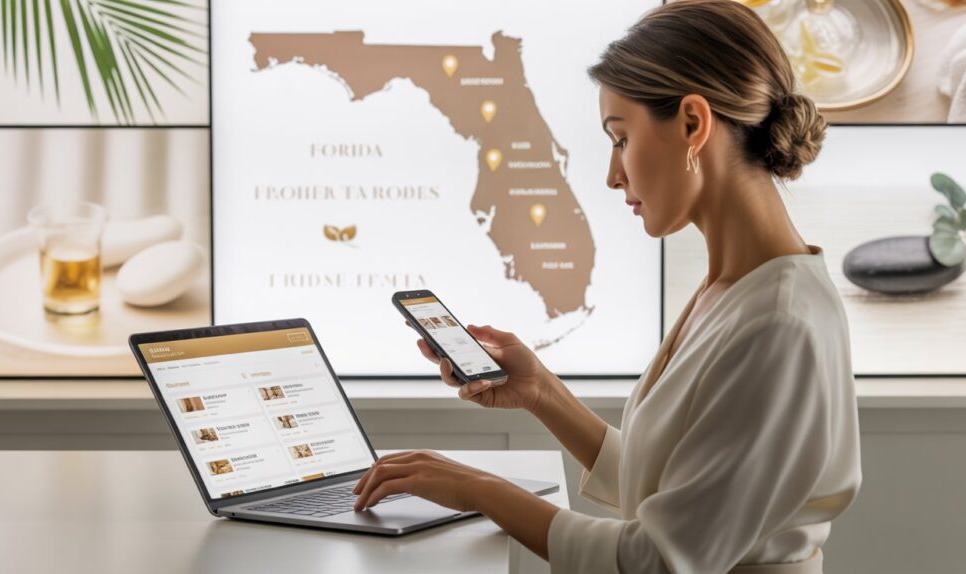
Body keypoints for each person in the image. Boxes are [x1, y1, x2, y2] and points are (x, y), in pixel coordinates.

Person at [353, 1, 862, 571]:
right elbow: (674, 492)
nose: (612, 174)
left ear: (693, 124)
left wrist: (478, 490)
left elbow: (658, 558)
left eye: (620, 139)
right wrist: (541, 393)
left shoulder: (778, 324)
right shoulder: (732, 292)